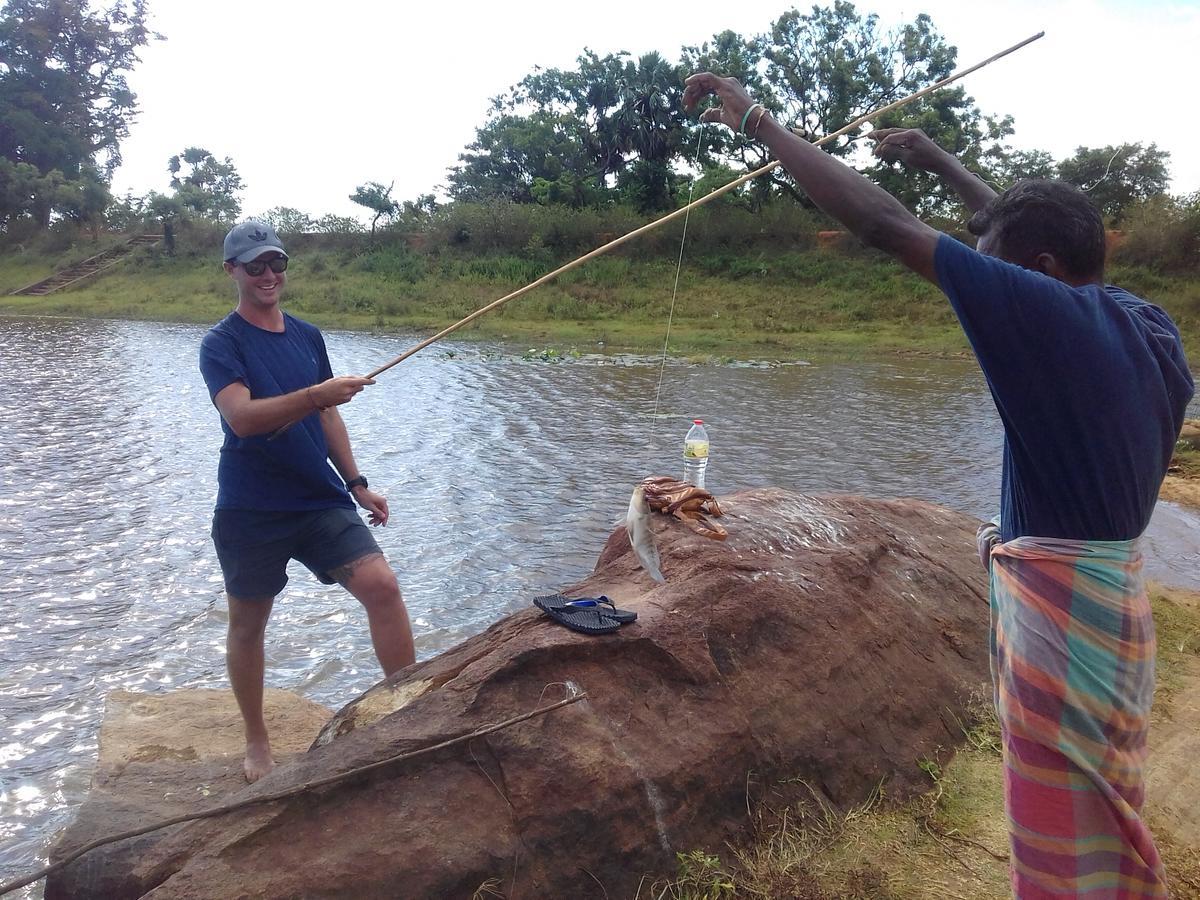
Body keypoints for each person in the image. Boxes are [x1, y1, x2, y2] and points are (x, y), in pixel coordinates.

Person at [683, 75, 1193, 898]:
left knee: (1065, 837)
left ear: (1039, 274)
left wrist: (758, 122)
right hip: (1116, 612)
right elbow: (1023, 232)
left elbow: (884, 223)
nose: (977, 282)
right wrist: (938, 158)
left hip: (1066, 630)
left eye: (997, 270)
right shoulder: (1143, 322)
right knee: (1107, 809)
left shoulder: (1049, 320)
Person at [199, 221, 416, 782]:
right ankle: (257, 741)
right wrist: (316, 394)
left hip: (320, 498)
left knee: (383, 588)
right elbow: (243, 418)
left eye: (276, 264)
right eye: (255, 267)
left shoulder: (307, 335)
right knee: (249, 624)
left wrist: (356, 481)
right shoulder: (221, 344)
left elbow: (327, 414)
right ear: (233, 272)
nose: (269, 275)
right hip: (252, 507)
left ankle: (412, 712)